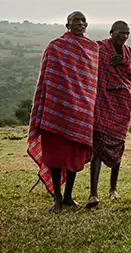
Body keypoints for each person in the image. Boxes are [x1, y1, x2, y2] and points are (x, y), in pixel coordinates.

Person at [27, 11, 99, 212]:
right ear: (67, 24)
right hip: (57, 111)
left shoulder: (92, 48)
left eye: (83, 20)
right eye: (76, 20)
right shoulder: (55, 47)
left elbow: (91, 81)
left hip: (81, 111)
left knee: (74, 158)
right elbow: (47, 79)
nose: (80, 23)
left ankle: (68, 196)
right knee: (56, 158)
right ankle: (57, 198)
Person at [87, 20, 131, 208]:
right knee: (97, 146)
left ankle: (113, 188)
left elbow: (129, 74)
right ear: (111, 32)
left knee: (118, 144)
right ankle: (93, 193)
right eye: (121, 33)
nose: (124, 36)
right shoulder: (99, 48)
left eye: (127, 33)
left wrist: (122, 63)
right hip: (102, 100)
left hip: (122, 101)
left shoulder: (128, 51)